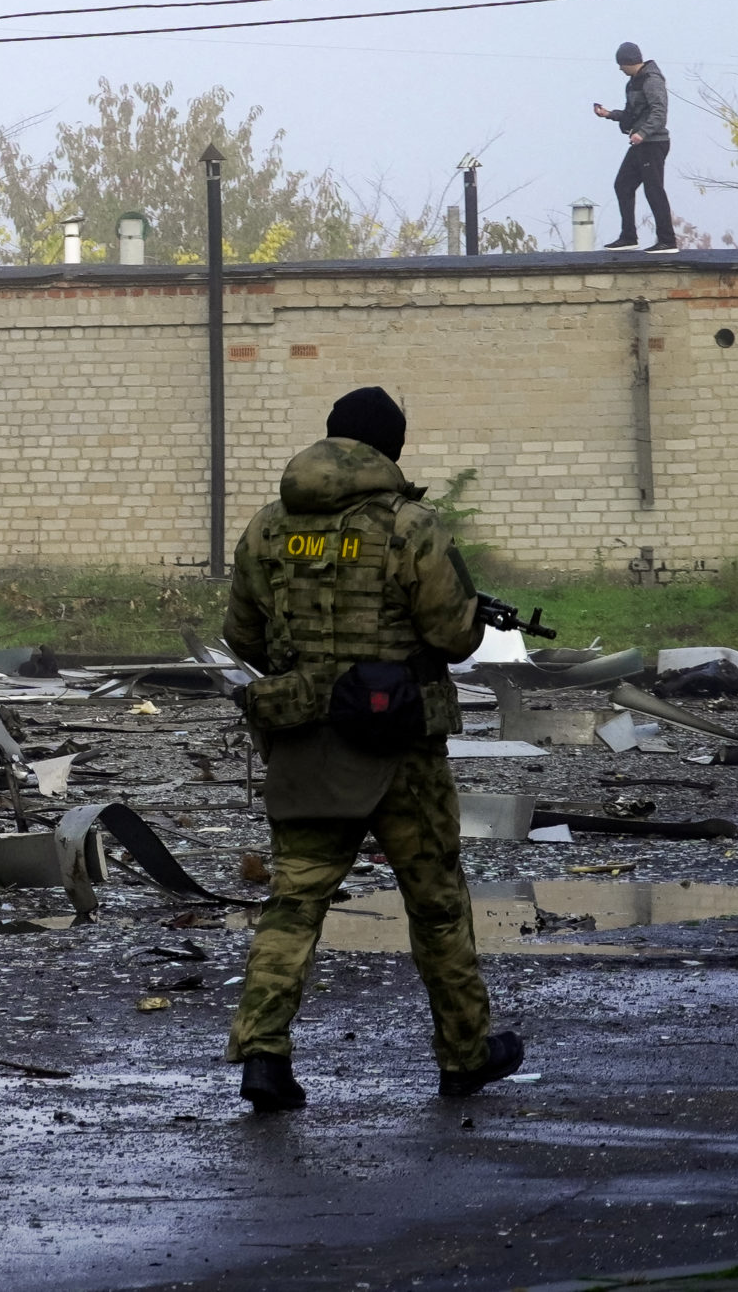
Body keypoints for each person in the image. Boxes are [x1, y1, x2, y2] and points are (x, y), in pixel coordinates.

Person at [220, 387, 523, 1112]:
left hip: (305, 745)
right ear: (392, 449)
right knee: (437, 903)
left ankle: (262, 1054)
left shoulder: (268, 528)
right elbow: (454, 635)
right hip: (401, 750)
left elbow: (242, 635)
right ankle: (464, 1053)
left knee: (294, 900)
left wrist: (308, 671)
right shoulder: (412, 526)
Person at [594, 42, 674, 252]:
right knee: (623, 185)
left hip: (654, 143)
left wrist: (643, 133)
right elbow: (632, 114)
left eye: (621, 64)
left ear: (629, 62)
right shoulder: (632, 83)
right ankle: (629, 237)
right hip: (639, 143)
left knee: (653, 190)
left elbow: (659, 112)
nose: (620, 69)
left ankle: (667, 240)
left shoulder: (652, 80)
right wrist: (609, 114)